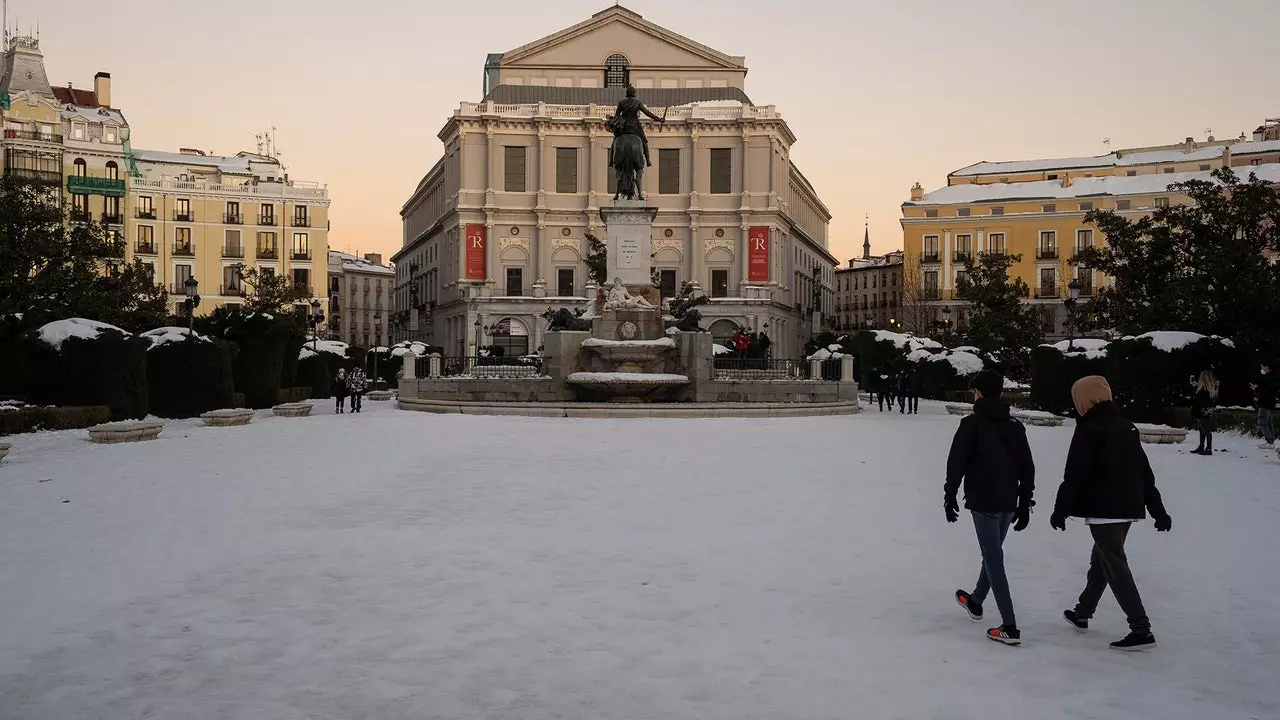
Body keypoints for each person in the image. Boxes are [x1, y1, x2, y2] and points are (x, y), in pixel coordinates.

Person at [1051, 376, 1172, 652]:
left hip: (1103, 507)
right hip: (1128, 506)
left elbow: (1075, 474)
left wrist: (1061, 509)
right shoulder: (1126, 426)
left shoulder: (1088, 427)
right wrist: (1158, 511)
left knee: (1114, 564)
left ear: (1085, 400)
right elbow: (1145, 473)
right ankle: (1082, 612)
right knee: (1103, 559)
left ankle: (1140, 628)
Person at [945, 369, 1036, 646]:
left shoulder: (970, 424)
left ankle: (1009, 626)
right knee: (992, 552)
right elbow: (1027, 467)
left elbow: (956, 463)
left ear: (979, 393)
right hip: (1008, 501)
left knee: (994, 559)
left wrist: (949, 496)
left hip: (983, 501)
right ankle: (976, 601)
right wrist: (1024, 502)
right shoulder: (1014, 425)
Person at [611, 85, 663, 167]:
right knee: (644, 142)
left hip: (624, 127)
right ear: (634, 93)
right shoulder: (637, 103)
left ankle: (611, 160)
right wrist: (659, 119)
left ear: (627, 93)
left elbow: (616, 116)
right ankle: (648, 160)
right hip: (635, 126)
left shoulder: (621, 103)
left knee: (614, 142)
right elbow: (647, 113)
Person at [1190, 369, 1219, 456]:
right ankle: (1202, 446)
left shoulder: (1204, 388)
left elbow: (1199, 399)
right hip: (1206, 409)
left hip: (1201, 410)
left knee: (1205, 429)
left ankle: (1208, 448)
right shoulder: (1210, 387)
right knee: (1202, 429)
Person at [1250, 361, 1276, 449]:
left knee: (1262, 421)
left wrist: (1256, 389)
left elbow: (1266, 391)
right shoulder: (1270, 376)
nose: (1262, 369)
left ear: (1267, 367)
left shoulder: (1268, 377)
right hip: (1268, 402)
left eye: (1262, 367)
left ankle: (1270, 441)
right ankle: (1271, 440)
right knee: (1268, 421)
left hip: (1265, 402)